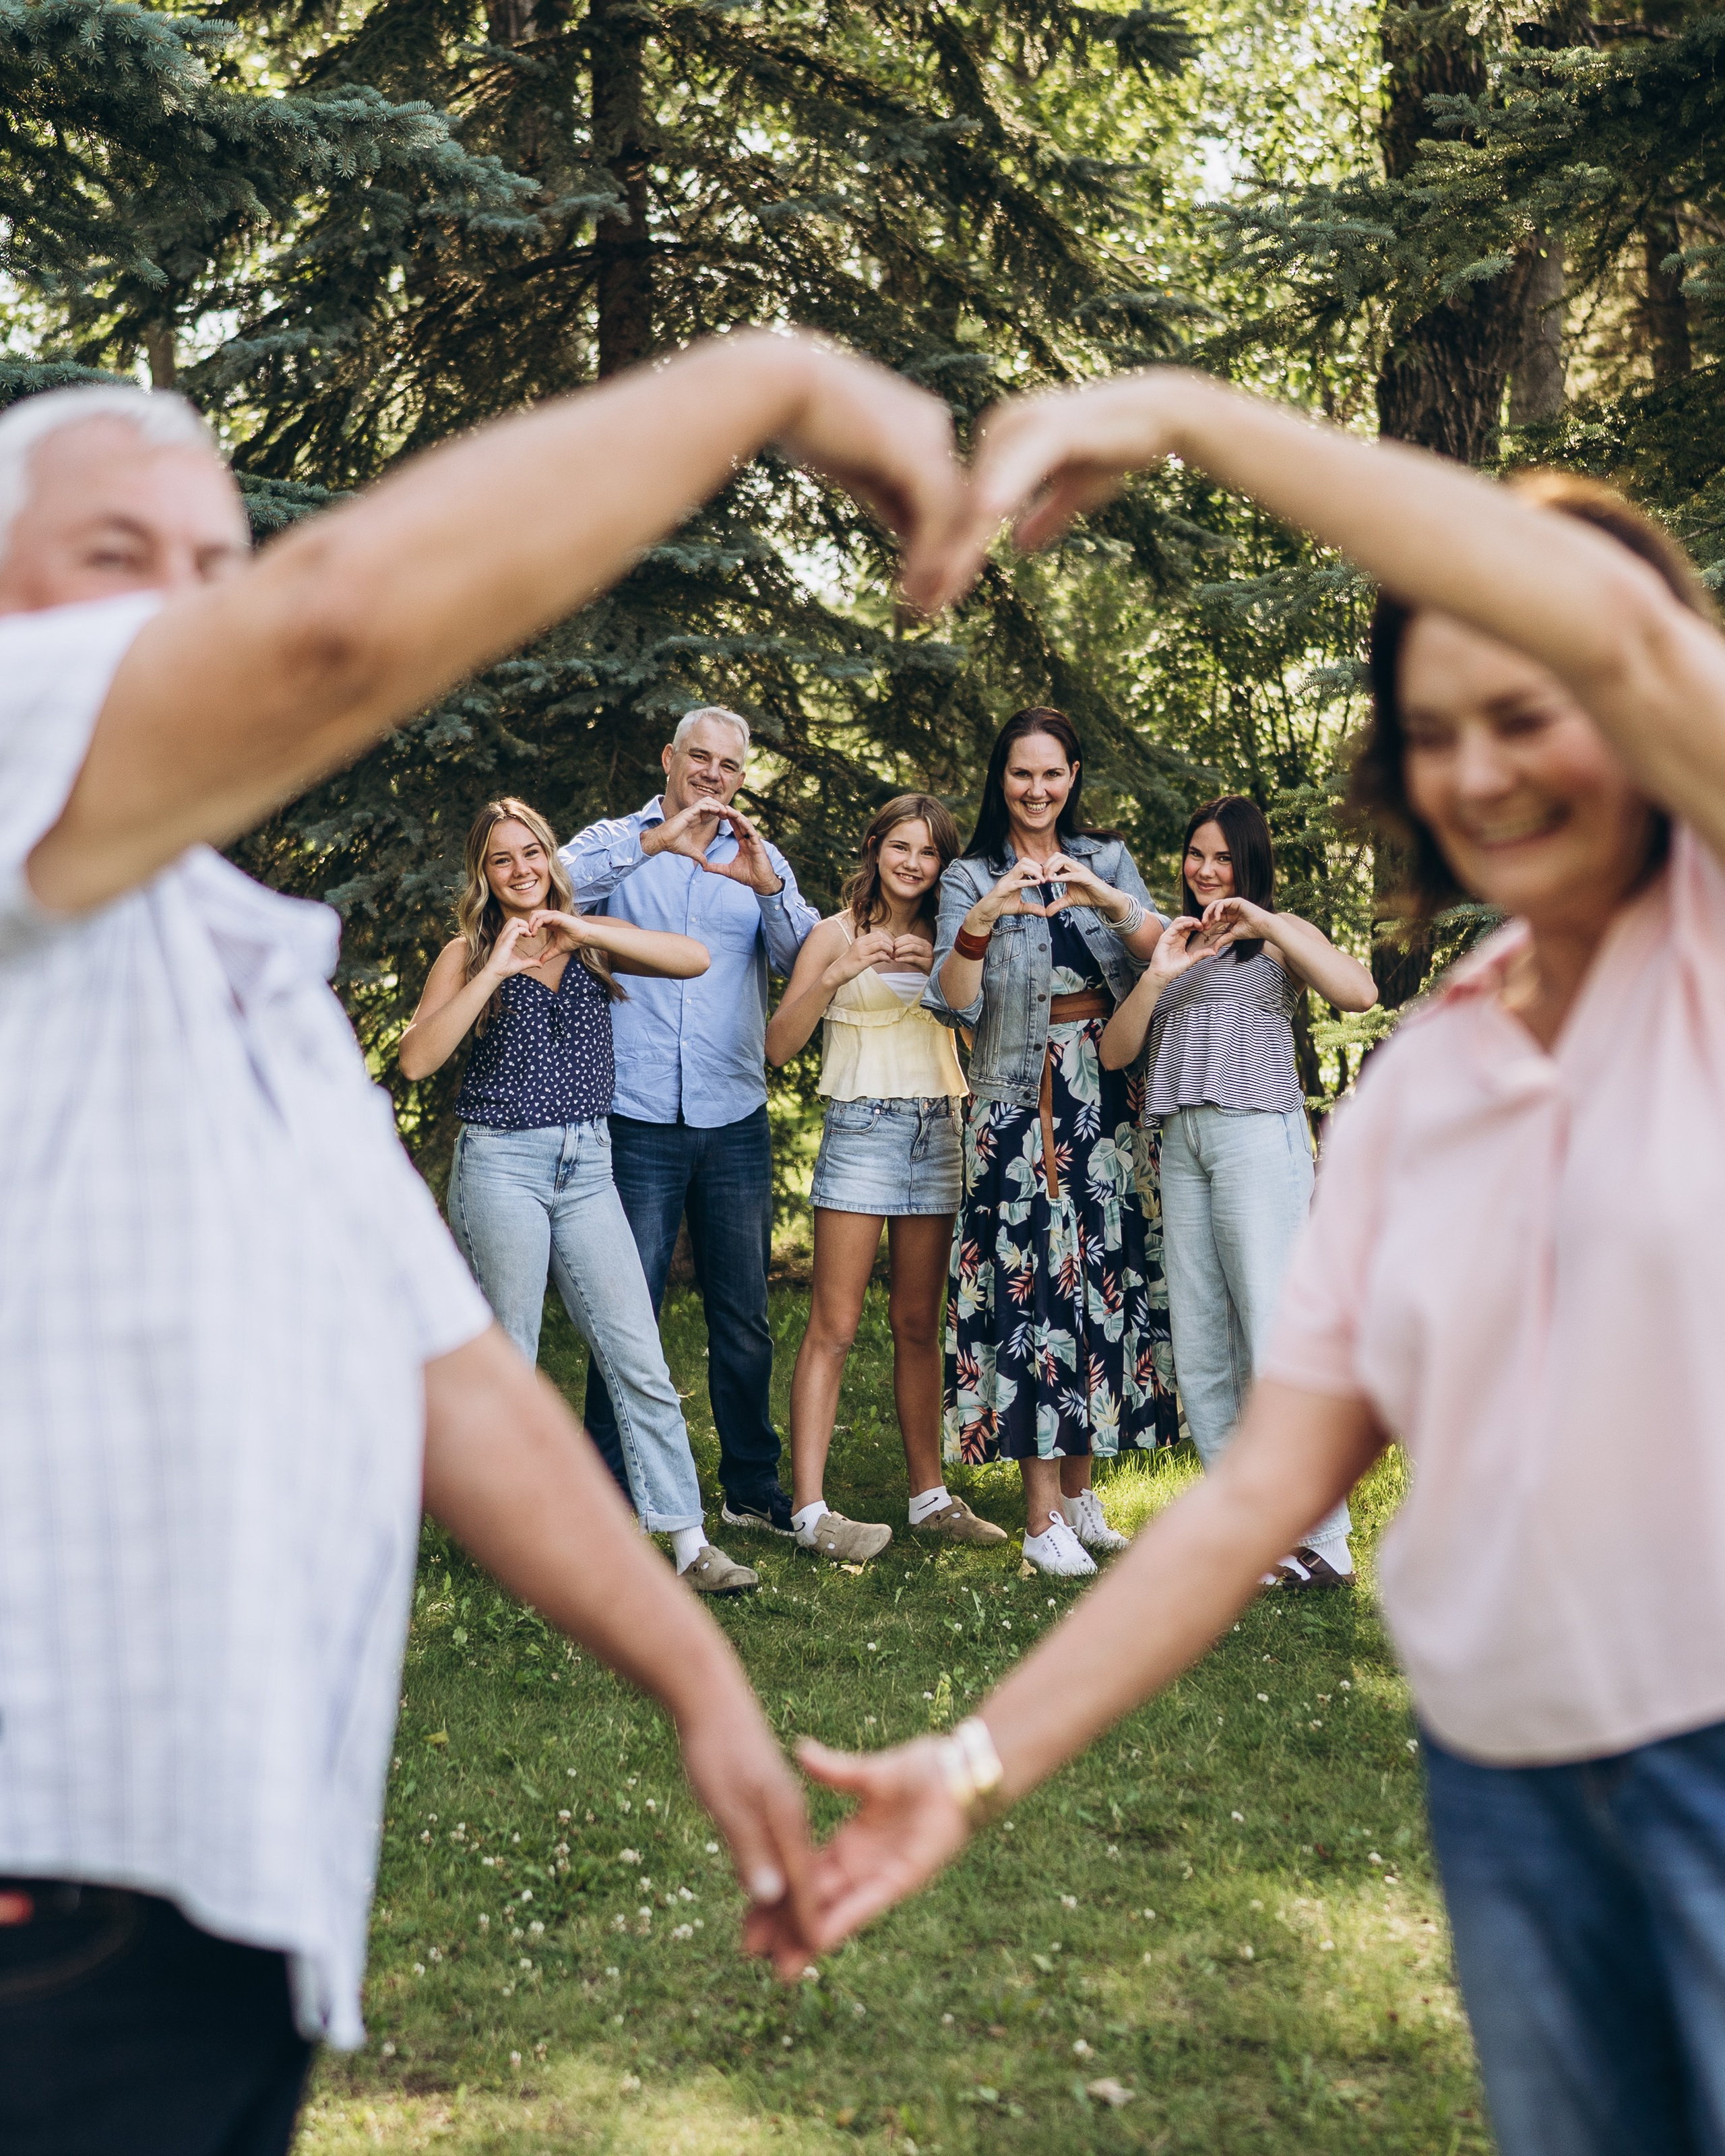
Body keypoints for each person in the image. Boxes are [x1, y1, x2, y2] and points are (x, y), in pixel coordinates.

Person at [0, 332, 964, 2151]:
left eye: (219, 567)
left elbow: (444, 1367)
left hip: (225, 1886)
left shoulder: (225, 963)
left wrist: (695, 1677)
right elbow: (330, 633)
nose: (191, 616)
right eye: (118, 557)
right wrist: (773, 388)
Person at [796, 367, 1725, 2156]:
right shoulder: (1427, 1076)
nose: (1480, 767)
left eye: (1528, 710)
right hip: (1511, 1789)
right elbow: (1244, 1504)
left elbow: (1614, 627)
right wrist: (973, 1766)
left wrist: (1184, 423)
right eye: (1436, 730)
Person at [397, 796, 759, 1595]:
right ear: (483, 875)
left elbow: (693, 958)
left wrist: (582, 929)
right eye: (503, 859)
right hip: (502, 1166)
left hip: (589, 1165)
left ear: (550, 856)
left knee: (638, 1354)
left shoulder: (588, 941)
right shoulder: (465, 953)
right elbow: (418, 1059)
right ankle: (512, 1539)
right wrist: (496, 965)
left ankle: (690, 1542)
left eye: (533, 852)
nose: (522, 868)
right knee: (513, 1359)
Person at [923, 707, 1180, 1579]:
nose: (1037, 790)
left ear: (1073, 777)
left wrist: (1107, 897)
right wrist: (987, 915)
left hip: (1102, 1098)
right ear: (1001, 779)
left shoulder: (1105, 858)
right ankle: (1038, 1520)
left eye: (1053, 774)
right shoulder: (968, 874)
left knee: (1098, 1285)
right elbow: (953, 1000)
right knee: (1033, 1294)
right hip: (1013, 1108)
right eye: (1022, 774)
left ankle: (1078, 1493)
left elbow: (1161, 954)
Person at [1100, 794, 1377, 1588]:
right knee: (1200, 1340)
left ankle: (1322, 1537)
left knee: (1272, 1329)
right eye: (1196, 853)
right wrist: (1158, 976)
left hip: (1257, 1135)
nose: (1205, 869)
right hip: (1180, 1142)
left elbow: (1356, 993)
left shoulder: (1277, 939)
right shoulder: (1170, 940)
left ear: (1248, 864)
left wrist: (1263, 917)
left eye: (1222, 857)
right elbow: (1119, 1053)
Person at [562, 709, 818, 1538]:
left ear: (743, 776)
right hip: (634, 1115)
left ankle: (749, 1488)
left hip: (732, 1112)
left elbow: (804, 956)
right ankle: (609, 1494)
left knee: (742, 1313)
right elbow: (550, 887)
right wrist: (653, 844)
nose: (712, 775)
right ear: (668, 760)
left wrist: (765, 884)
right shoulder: (617, 838)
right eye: (698, 758)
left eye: (729, 765)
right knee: (624, 1306)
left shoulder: (758, 852)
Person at [766, 794, 1007, 1562]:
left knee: (916, 1322)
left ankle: (929, 1498)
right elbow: (778, 1045)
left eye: (929, 852)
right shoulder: (832, 932)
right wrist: (839, 970)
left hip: (938, 1127)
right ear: (874, 848)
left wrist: (938, 975)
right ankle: (809, 1510)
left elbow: (984, 1028)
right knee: (833, 1326)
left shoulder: (950, 936)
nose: (913, 862)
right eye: (900, 845)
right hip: (861, 1126)